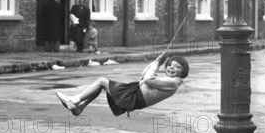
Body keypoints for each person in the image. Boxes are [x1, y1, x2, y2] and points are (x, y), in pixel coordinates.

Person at [56, 53, 188, 117]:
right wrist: (156, 62)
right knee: (102, 85)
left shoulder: (172, 83)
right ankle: (80, 107)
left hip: (135, 97)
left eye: (177, 67)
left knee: (102, 81)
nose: (172, 68)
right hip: (135, 94)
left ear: (182, 72)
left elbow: (147, 80)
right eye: (170, 65)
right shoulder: (166, 80)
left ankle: (75, 100)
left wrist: (155, 65)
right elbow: (144, 75)